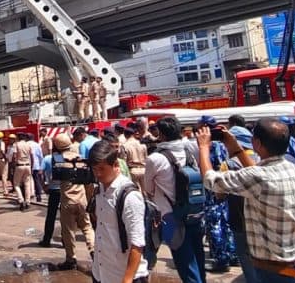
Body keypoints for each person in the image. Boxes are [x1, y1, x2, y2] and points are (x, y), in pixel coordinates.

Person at [197, 118, 295, 283]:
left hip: (275, 271)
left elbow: (210, 180)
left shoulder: (259, 177)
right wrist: (237, 149)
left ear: (257, 143)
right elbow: (256, 172)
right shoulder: (294, 169)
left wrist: (203, 147)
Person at [143, 117, 204, 282]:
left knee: (186, 265)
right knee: (198, 259)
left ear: (161, 135)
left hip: (170, 216)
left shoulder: (155, 158)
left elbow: (148, 188)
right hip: (196, 210)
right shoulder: (192, 149)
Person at [90, 140, 149, 283]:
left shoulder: (129, 196)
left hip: (125, 276)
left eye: (102, 169)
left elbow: (137, 243)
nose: (98, 174)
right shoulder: (100, 190)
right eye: (94, 169)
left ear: (115, 165)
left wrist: (127, 279)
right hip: (101, 274)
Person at [50, 134, 95, 270]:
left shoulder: (58, 159)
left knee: (68, 231)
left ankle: (71, 259)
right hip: (82, 199)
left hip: (67, 200)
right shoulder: (80, 158)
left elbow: (55, 177)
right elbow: (88, 182)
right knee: (87, 227)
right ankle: (93, 251)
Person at [197, 116, 236, 273]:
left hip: (212, 189)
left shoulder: (208, 146)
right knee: (226, 223)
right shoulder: (224, 144)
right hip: (225, 187)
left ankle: (221, 259)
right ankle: (232, 254)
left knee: (214, 225)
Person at [225, 123, 261, 283]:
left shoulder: (229, 164)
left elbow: (218, 193)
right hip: (262, 221)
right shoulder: (262, 159)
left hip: (240, 221)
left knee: (247, 262)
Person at [38, 147, 60, 248]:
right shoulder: (64, 158)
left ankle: (46, 240)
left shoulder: (47, 158)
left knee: (51, 216)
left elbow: (40, 173)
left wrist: (44, 186)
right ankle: (66, 241)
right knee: (65, 217)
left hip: (53, 190)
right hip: (64, 190)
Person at [11, 131, 35, 211]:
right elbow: (32, 156)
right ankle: (28, 202)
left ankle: (21, 200)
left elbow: (14, 156)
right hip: (28, 165)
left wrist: (13, 166)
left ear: (18, 137)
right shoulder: (28, 144)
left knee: (16, 184)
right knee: (27, 184)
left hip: (19, 165)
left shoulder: (16, 144)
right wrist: (31, 166)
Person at [122, 125, 147, 194]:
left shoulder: (124, 146)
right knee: (146, 192)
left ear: (125, 135)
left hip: (132, 171)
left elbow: (123, 161)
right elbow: (146, 158)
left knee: (137, 192)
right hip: (143, 169)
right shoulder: (142, 144)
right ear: (133, 134)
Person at [28, 133, 45, 203]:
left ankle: (28, 195)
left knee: (27, 181)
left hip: (28, 165)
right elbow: (41, 156)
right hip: (36, 165)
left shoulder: (26, 144)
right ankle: (38, 196)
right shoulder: (37, 145)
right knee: (36, 180)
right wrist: (41, 166)